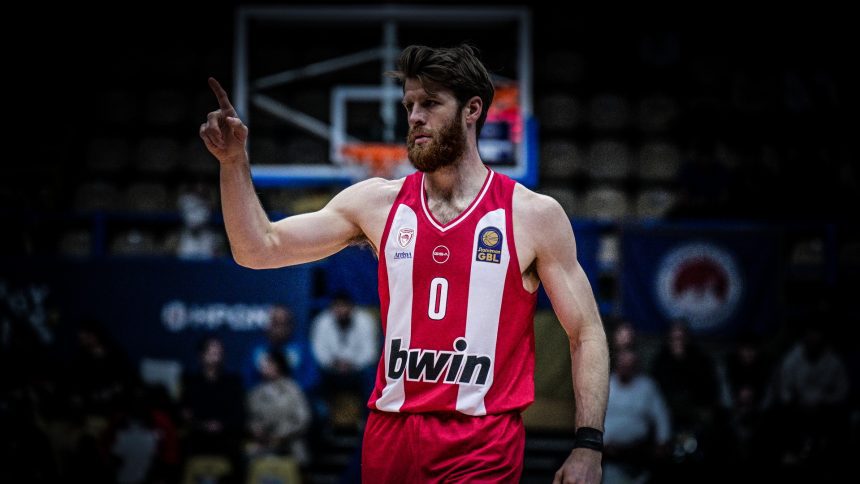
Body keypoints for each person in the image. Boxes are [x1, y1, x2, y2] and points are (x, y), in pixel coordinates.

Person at [201, 44, 609, 483]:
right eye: (409, 105)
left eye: (430, 103)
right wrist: (233, 163)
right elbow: (258, 249)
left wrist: (588, 445)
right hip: (390, 436)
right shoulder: (376, 203)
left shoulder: (531, 215)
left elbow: (586, 332)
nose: (415, 117)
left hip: (480, 443)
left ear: (472, 110)